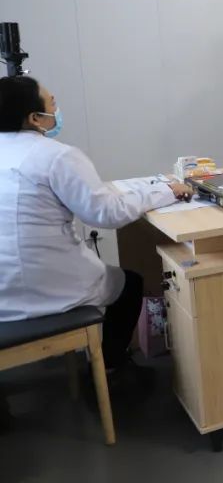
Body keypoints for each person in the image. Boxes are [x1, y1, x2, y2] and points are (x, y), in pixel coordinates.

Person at [0, 76, 193, 375]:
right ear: (35, 118)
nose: (57, 109)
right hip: (45, 283)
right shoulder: (56, 156)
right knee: (130, 284)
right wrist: (167, 190)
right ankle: (112, 368)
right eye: (52, 103)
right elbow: (105, 214)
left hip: (5, 288)